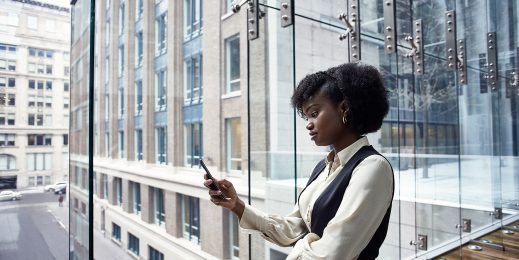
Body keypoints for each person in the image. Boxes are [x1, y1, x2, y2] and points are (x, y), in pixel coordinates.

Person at [203, 63, 394, 260]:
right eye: (306, 117)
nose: (308, 124)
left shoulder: (372, 167)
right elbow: (294, 229)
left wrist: (302, 243)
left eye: (314, 113)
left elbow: (333, 253)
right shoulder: (323, 167)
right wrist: (237, 205)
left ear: (344, 108)